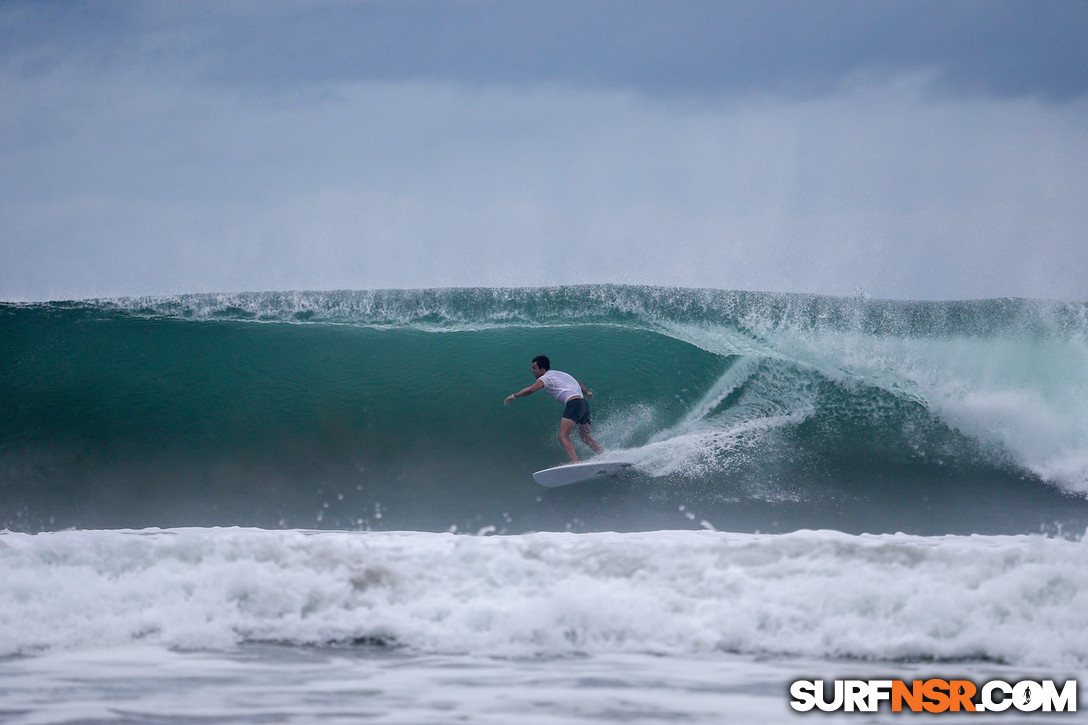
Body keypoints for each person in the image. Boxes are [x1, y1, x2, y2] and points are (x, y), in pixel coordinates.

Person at [504, 355, 604, 463]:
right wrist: (586, 392)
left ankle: (576, 463)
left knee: (562, 436)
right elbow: (577, 382)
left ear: (542, 369)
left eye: (534, 368)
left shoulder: (545, 378)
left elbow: (531, 389)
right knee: (585, 437)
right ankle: (604, 455)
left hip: (573, 404)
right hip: (583, 404)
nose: (532, 371)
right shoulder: (559, 374)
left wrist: (514, 395)